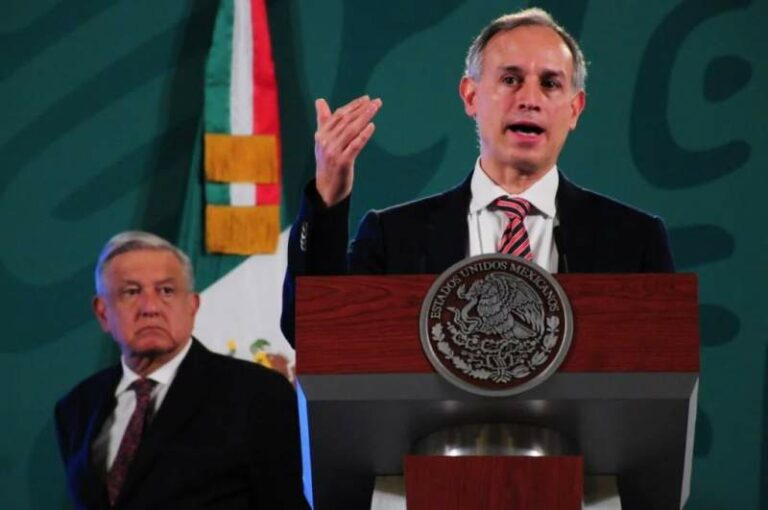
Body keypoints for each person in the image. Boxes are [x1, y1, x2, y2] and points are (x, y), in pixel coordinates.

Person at [282, 8, 674, 342]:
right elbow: (312, 333)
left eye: (550, 84)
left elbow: (662, 369)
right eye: (510, 79)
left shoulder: (633, 241)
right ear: (471, 96)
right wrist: (328, 196)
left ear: (575, 109)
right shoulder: (395, 237)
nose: (530, 99)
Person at [55, 231, 309, 509]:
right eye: (131, 292)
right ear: (103, 312)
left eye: (166, 291)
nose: (150, 307)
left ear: (192, 306)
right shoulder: (78, 407)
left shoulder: (257, 393)